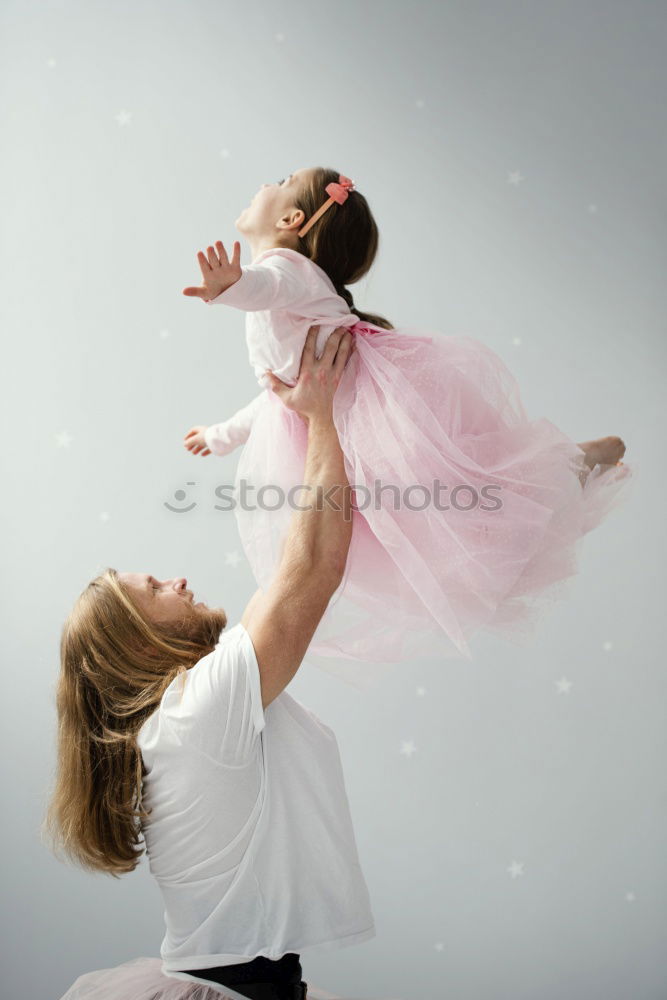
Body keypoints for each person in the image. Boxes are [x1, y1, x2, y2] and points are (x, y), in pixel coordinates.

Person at [179, 166, 635, 679]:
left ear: (292, 219)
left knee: (457, 491)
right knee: (437, 516)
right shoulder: (289, 291)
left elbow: (264, 285)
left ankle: (565, 464)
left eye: (281, 180)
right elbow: (276, 398)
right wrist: (221, 435)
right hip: (346, 429)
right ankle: (559, 478)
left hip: (376, 413)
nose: (266, 181)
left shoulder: (289, 271)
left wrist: (230, 286)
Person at [48, 327, 374, 1000]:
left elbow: (302, 569)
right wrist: (320, 416)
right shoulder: (194, 712)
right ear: (138, 643)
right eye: (155, 590)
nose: (179, 582)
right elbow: (309, 571)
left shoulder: (183, 718)